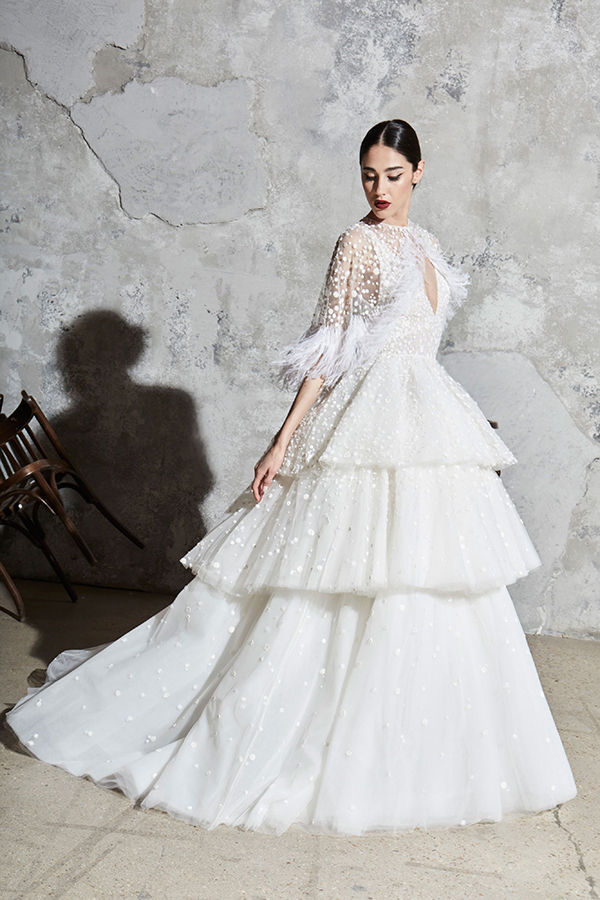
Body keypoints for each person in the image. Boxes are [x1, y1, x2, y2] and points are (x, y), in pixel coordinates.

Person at [6, 120, 577, 836]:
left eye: (392, 175)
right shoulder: (355, 244)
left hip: (421, 414)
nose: (378, 189)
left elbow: (413, 342)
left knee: (428, 572)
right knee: (336, 575)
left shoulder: (429, 246)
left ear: (419, 172)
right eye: (367, 174)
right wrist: (283, 440)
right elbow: (328, 350)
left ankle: (419, 743)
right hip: (366, 414)